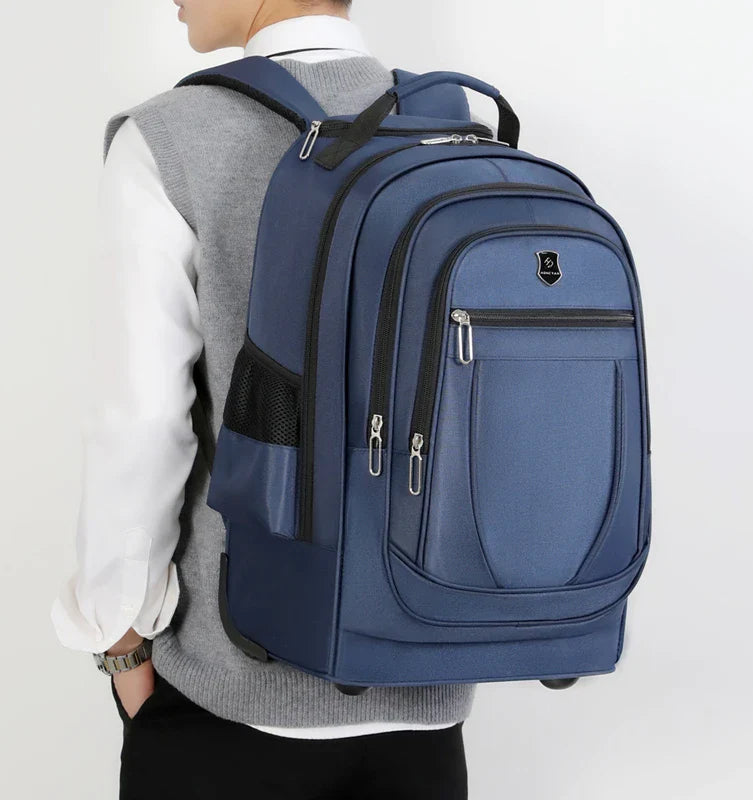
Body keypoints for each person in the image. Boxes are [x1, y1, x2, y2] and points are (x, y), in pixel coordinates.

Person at [51, 1, 476, 797]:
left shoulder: (169, 138)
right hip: (425, 704)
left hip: (231, 699)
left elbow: (139, 426)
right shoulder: (456, 129)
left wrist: (122, 650)